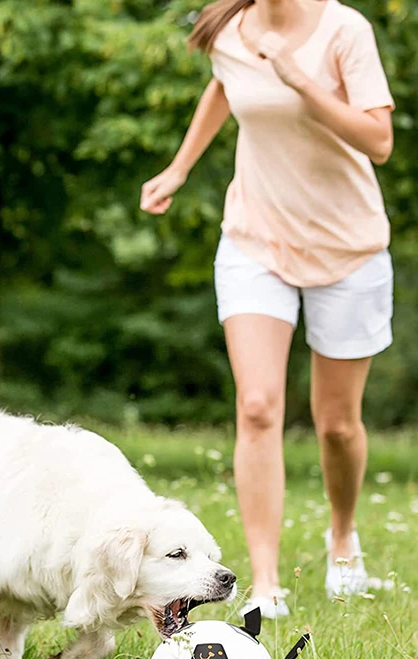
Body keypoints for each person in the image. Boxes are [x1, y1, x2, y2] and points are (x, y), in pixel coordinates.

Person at [140, 0, 394, 617]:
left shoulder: (344, 30)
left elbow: (379, 141)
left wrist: (300, 79)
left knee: (337, 424)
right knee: (256, 407)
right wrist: (179, 168)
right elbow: (223, 86)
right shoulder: (230, 27)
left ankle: (343, 542)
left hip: (348, 246)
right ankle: (266, 583)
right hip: (255, 240)